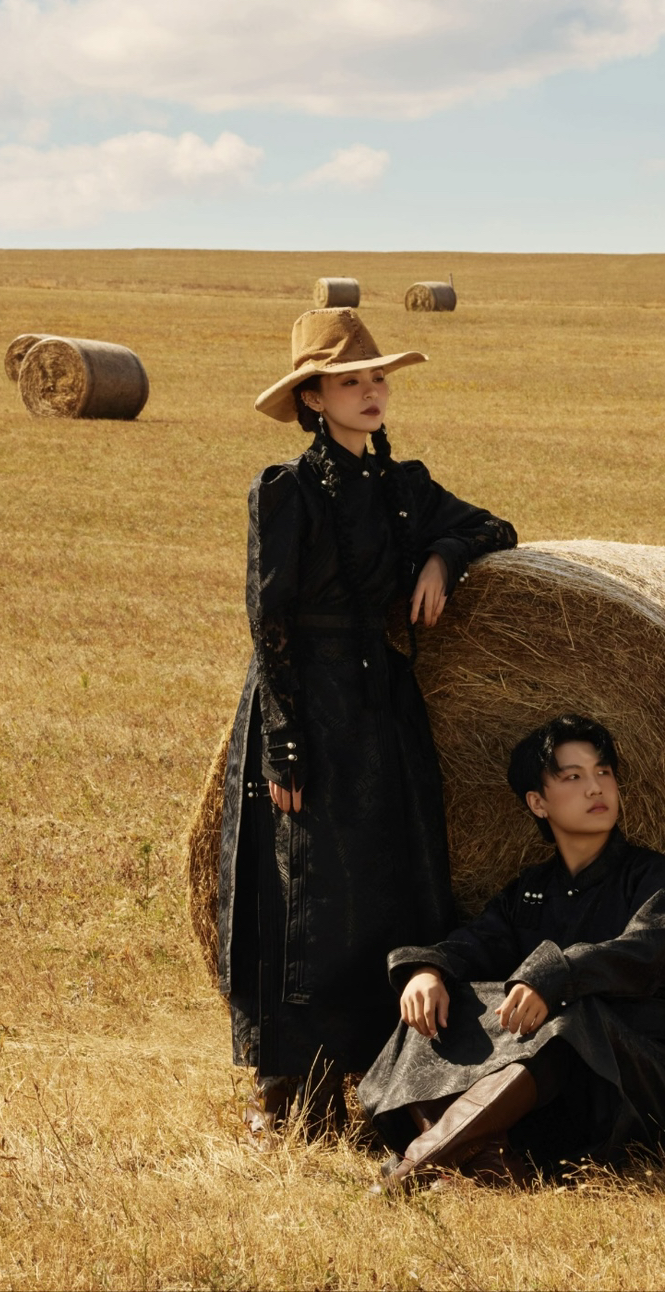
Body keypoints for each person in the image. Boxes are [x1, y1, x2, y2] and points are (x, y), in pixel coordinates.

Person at [218, 307, 517, 1141]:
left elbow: (492, 526)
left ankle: (379, 1073)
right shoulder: (284, 490)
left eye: (378, 377)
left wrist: (442, 559)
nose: (371, 391)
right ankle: (287, 1092)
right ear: (313, 399)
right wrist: (283, 743)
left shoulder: (403, 487)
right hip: (305, 701)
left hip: (383, 707)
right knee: (306, 889)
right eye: (350, 381)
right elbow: (268, 618)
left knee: (389, 883)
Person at [357, 712, 665, 1188]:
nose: (595, 788)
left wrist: (555, 977)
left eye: (603, 772)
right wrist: (428, 969)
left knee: (569, 1021)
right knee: (438, 1006)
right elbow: (479, 941)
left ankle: (415, 1167)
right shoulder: (530, 890)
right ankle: (487, 1157)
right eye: (573, 777)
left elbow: (641, 953)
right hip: (541, 1099)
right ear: (537, 802)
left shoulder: (659, 880)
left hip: (635, 1082)